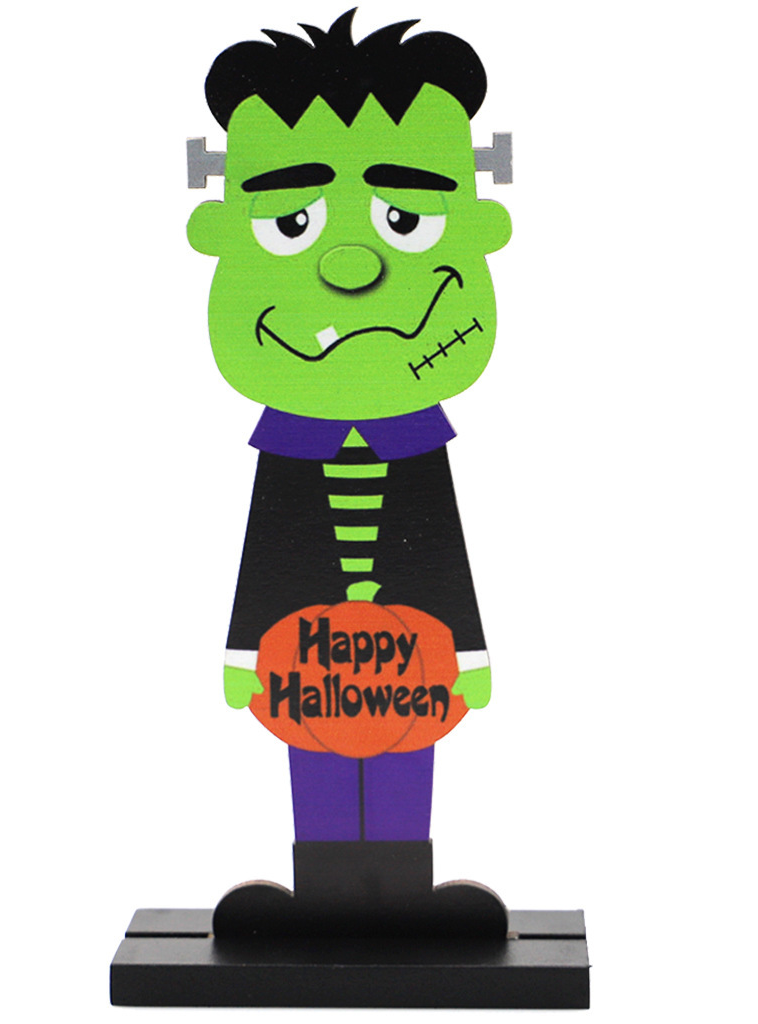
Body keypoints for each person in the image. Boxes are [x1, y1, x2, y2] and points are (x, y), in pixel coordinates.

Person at [187, 10, 512, 939]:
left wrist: (468, 654)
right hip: (304, 659)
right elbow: (273, 546)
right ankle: (327, 895)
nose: (352, 264)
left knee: (408, 745)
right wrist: (246, 653)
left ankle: (400, 894)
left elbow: (438, 546)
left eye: (405, 219)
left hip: (415, 657)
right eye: (291, 222)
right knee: (316, 750)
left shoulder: (417, 446)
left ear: (479, 223)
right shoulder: (289, 451)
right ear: (220, 227)